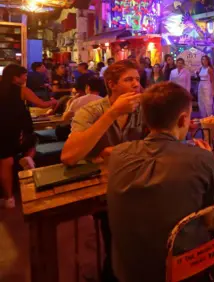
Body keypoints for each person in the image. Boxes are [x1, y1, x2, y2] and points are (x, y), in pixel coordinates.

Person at [107, 82, 214, 282]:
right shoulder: (200, 158)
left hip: (127, 270)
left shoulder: (118, 154)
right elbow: (213, 212)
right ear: (182, 120)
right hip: (181, 270)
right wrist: (205, 158)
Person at [62, 59, 145, 281]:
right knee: (116, 240)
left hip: (136, 183)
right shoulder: (91, 110)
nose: (136, 84)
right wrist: (112, 114)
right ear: (111, 84)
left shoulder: (142, 108)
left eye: (137, 79)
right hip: (102, 190)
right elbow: (69, 156)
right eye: (129, 80)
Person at [0, 65, 56, 209]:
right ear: (15, 78)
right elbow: (42, 104)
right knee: (31, 144)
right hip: (20, 130)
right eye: (23, 75)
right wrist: (52, 102)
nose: (26, 78)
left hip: (2, 130)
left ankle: (8, 198)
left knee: (6, 162)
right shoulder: (22, 90)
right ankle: (28, 158)